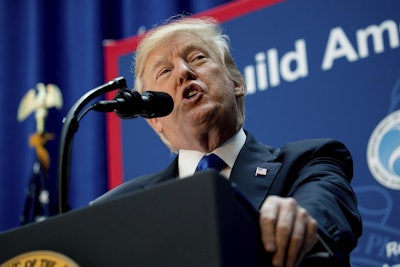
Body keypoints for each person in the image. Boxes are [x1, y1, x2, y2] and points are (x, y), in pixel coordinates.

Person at [93, 17, 362, 267]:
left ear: (236, 83)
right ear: (155, 120)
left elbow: (323, 210)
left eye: (197, 57)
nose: (183, 73)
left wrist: (300, 221)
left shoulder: (309, 160)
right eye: (164, 71)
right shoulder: (118, 208)